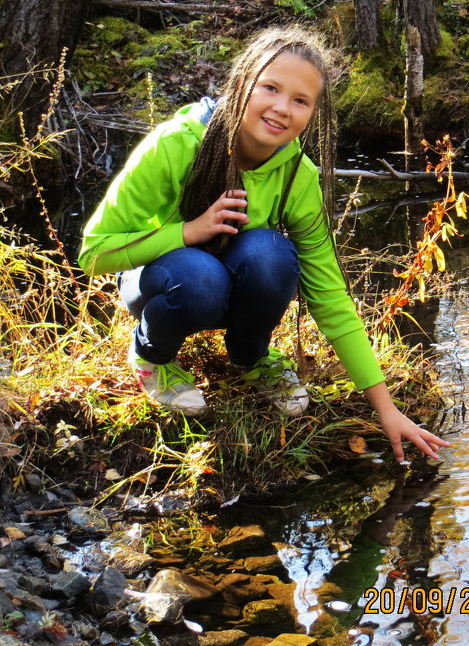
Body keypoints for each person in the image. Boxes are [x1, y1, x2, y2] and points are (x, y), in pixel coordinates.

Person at [78, 26, 449, 464]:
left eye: (300, 100)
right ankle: (151, 354)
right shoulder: (176, 144)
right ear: (241, 85)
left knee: (272, 255)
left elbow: (328, 294)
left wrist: (386, 411)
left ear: (313, 114)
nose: (280, 108)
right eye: (270, 88)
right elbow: (94, 254)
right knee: (199, 276)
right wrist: (188, 231)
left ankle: (251, 358)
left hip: (224, 278)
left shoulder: (298, 176)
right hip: (161, 278)